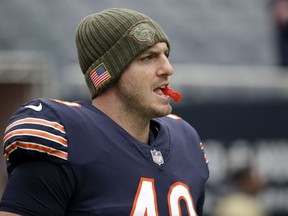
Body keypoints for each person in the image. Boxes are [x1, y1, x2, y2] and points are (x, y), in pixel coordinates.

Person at [0, 8, 209, 215]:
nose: (168, 68)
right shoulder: (68, 136)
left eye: (165, 55)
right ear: (110, 72)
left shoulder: (186, 141)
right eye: (148, 57)